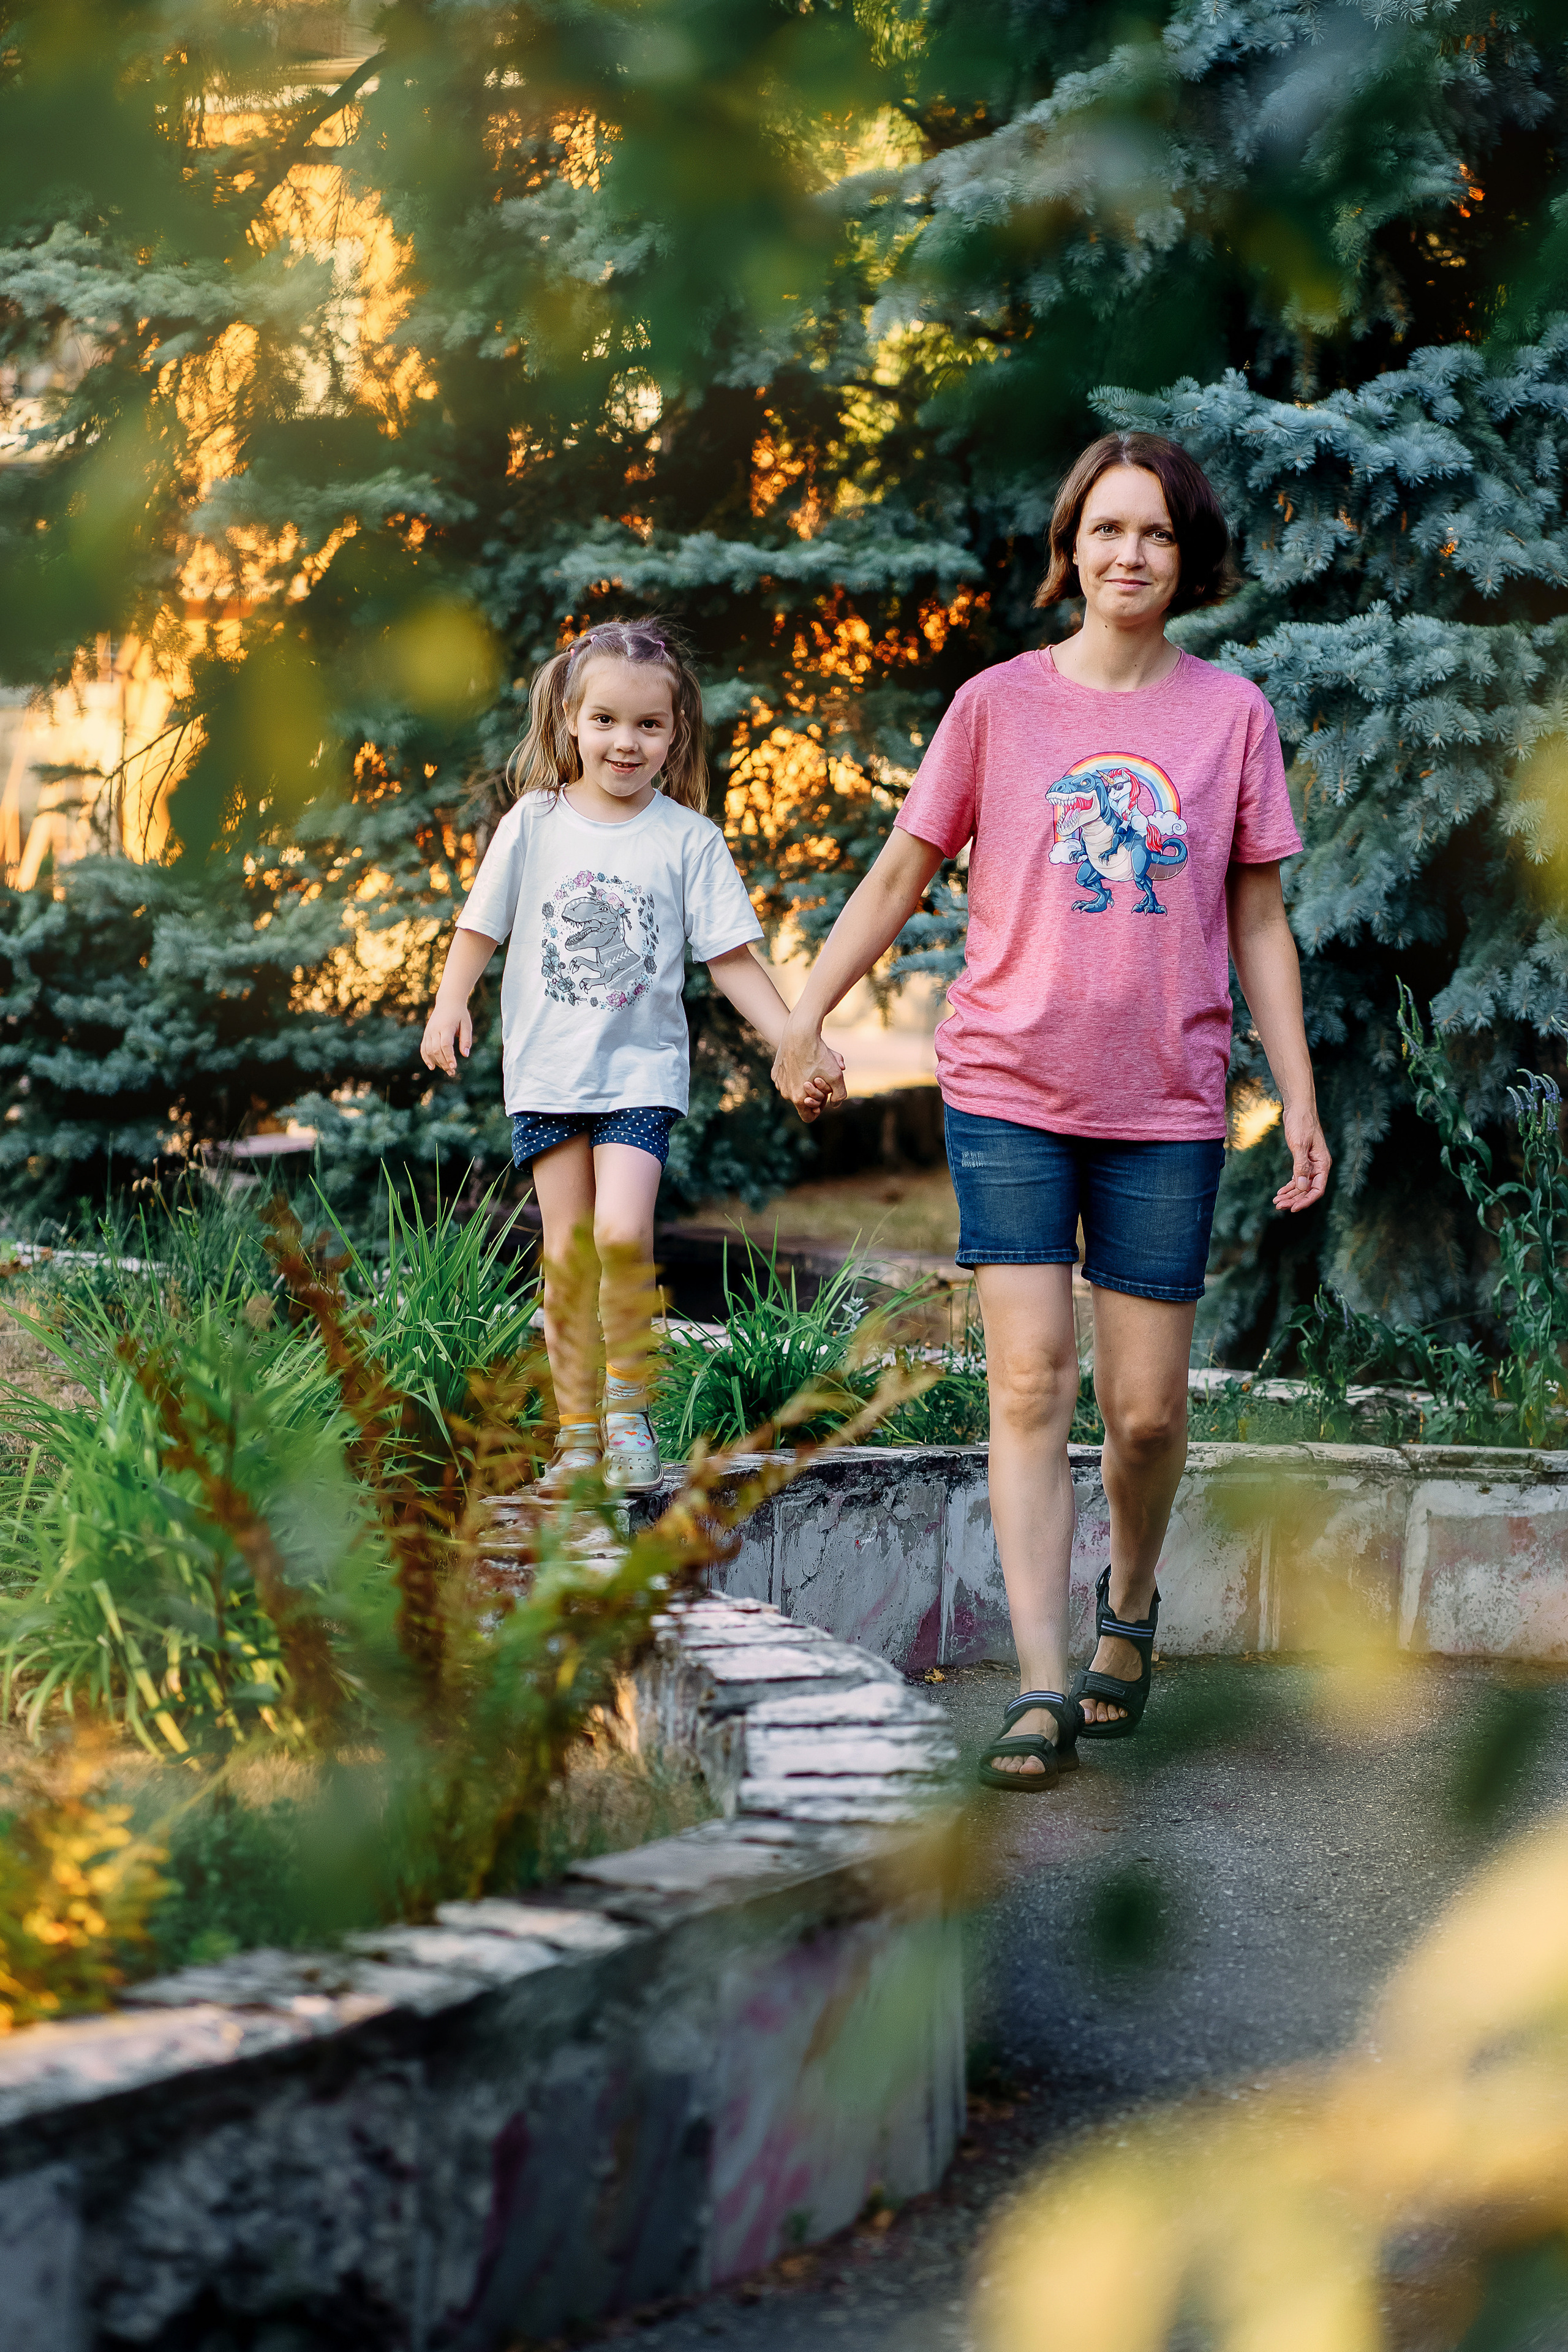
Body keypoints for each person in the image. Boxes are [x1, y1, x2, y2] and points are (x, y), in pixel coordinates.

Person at [773, 432, 1330, 1788]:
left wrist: (1296, 1094)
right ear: (1068, 546)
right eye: (1103, 530)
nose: (1125, 554)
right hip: (1008, 1088)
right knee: (1028, 1381)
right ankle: (1037, 1687)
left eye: (1151, 534)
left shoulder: (1227, 718)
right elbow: (903, 874)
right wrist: (806, 1011)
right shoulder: (996, 709)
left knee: (1141, 1416)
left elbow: (1256, 917)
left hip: (1166, 1100)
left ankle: (1124, 1606)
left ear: (1184, 558)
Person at [421, 618, 842, 1495]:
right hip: (546, 1077)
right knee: (567, 1260)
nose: (626, 741)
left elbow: (733, 962)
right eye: (607, 720)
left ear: (675, 733)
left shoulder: (688, 839)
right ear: (571, 719)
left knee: (621, 1240)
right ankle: (576, 1440)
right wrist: (450, 1000)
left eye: (648, 726)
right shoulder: (532, 824)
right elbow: (480, 925)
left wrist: (797, 1040)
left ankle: (627, 1413)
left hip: (638, 1078)